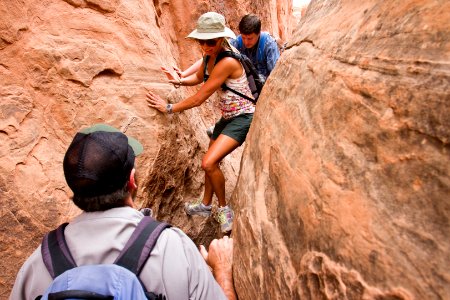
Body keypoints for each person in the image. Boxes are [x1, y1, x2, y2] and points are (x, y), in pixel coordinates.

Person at [9, 124, 236, 300]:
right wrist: (223, 271)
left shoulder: (38, 264)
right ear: (131, 181)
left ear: (74, 187)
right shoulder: (171, 247)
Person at [146, 12, 255, 233]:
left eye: (210, 42)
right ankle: (205, 205)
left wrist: (168, 108)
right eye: (202, 41)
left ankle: (224, 209)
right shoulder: (210, 56)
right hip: (227, 116)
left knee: (208, 163)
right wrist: (178, 80)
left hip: (243, 117)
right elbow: (198, 78)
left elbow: (199, 97)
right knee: (210, 160)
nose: (205, 46)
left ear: (222, 39)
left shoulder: (227, 61)